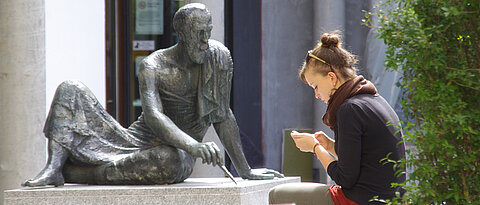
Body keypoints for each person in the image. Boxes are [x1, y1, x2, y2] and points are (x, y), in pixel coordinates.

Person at [23, 3, 282, 187]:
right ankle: (55, 168)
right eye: (198, 34)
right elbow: (154, 116)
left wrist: (245, 170)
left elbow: (222, 115)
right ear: (180, 35)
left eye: (208, 32)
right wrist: (196, 144)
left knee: (166, 161)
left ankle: (77, 174)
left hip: (178, 153)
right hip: (134, 141)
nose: (205, 40)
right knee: (70, 88)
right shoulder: (153, 65)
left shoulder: (218, 56)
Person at [269, 32, 405, 205]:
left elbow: (345, 178)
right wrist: (330, 146)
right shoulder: (373, 99)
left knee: (277, 195)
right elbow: (364, 160)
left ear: (332, 78)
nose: (317, 95)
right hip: (389, 199)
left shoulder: (349, 109)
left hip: (361, 200)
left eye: (315, 86)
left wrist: (316, 148)